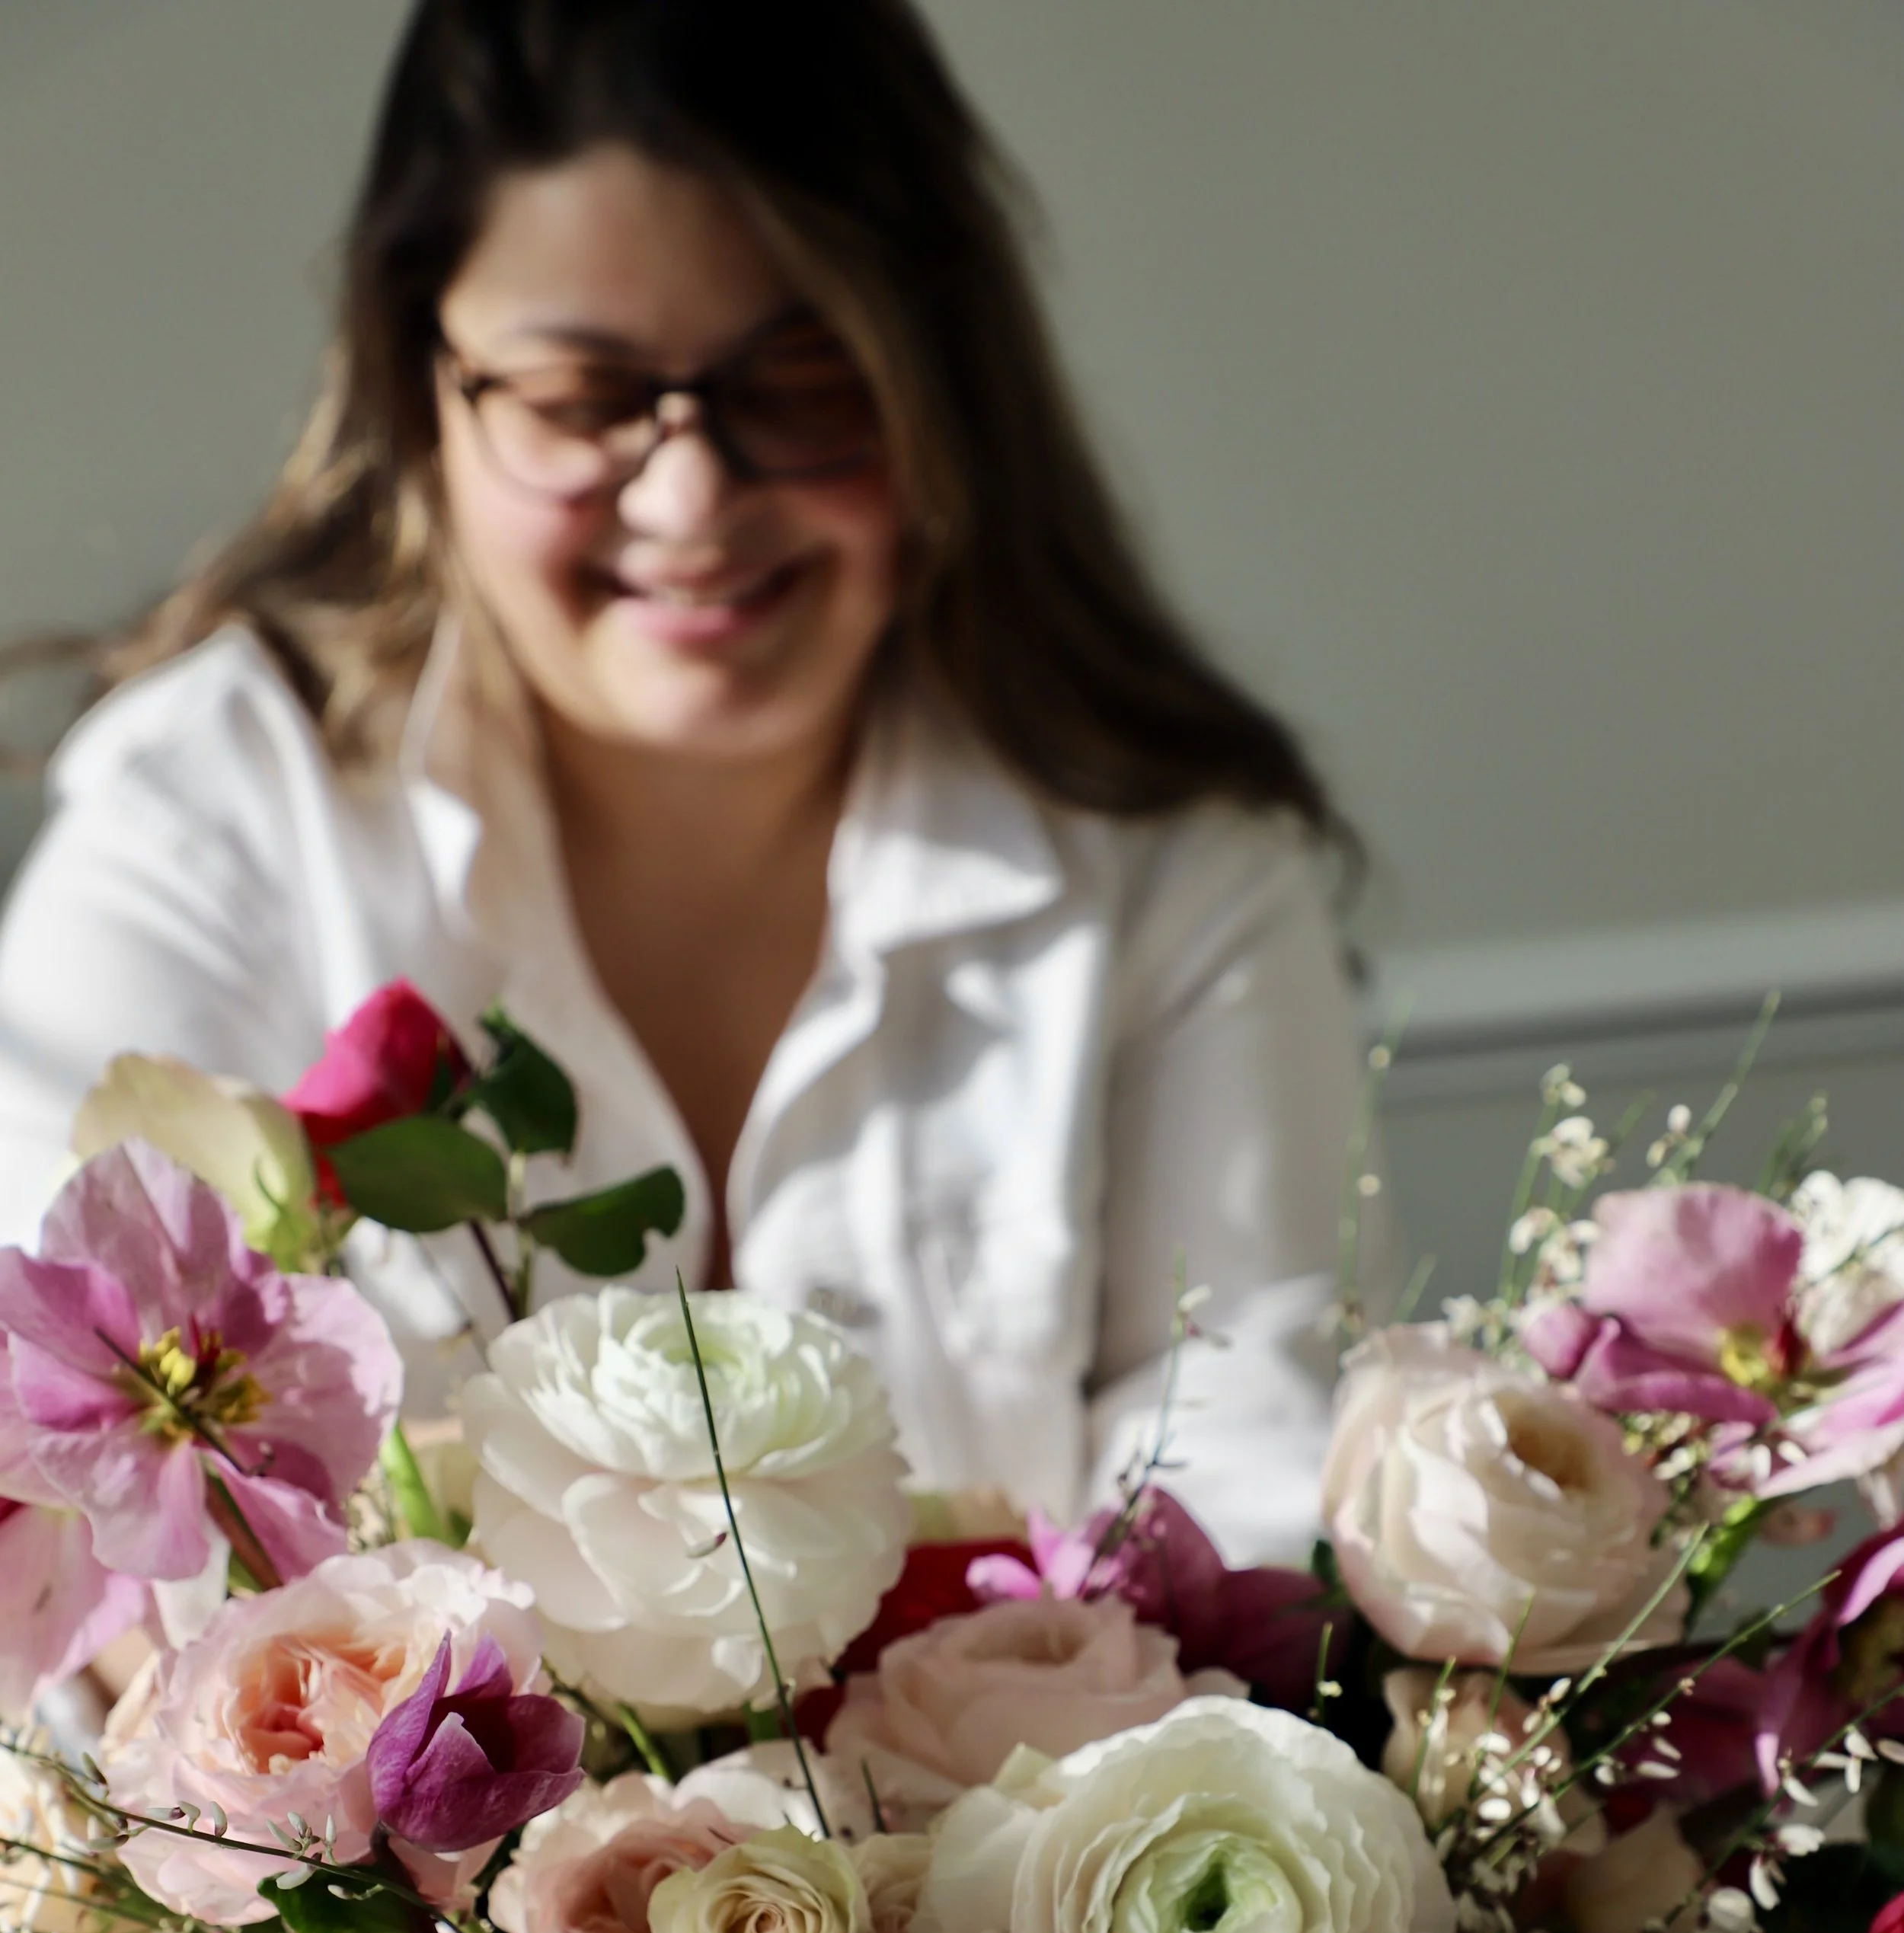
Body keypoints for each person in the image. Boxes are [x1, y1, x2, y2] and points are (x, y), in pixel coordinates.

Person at [0, 0, 1366, 1561]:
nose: (694, 493)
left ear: (938, 380)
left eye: (798, 381)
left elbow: (1254, 1491)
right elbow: (76, 1521)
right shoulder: (215, 824)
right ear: (416, 390)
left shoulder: (1167, 863)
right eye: (580, 398)